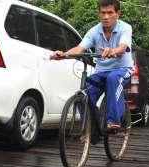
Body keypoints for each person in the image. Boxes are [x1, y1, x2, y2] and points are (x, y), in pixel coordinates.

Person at [50, 0, 133, 131]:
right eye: (103, 13)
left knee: (113, 78)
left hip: (122, 69)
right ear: (99, 14)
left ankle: (114, 121)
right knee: (83, 97)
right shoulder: (94, 31)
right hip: (101, 71)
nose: (106, 17)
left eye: (110, 13)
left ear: (118, 14)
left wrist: (113, 51)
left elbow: (122, 48)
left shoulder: (125, 28)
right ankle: (92, 131)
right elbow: (80, 48)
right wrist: (63, 54)